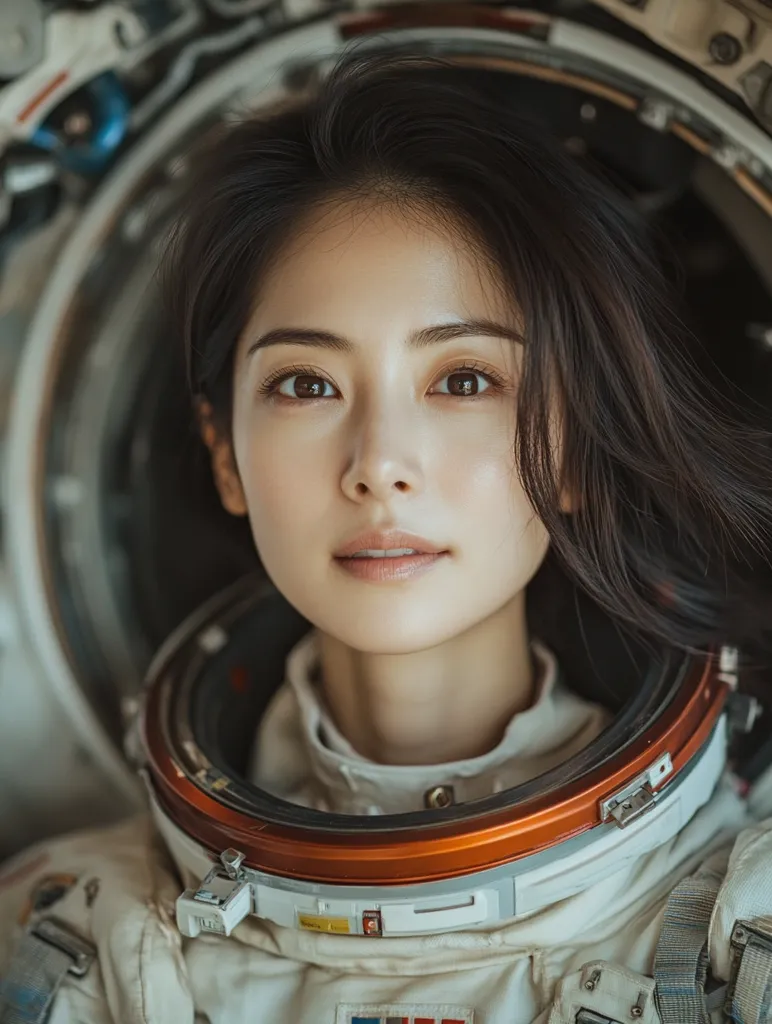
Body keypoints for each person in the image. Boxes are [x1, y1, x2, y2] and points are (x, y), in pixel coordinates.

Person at [2, 52, 772, 1024]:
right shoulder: (63, 948)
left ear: (575, 447)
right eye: (307, 384)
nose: (379, 462)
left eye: (462, 379)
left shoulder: (739, 939)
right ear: (225, 454)